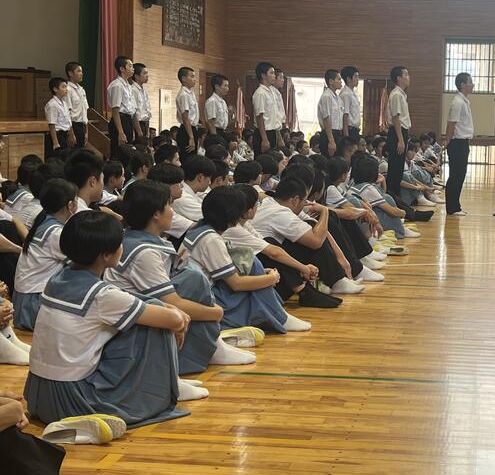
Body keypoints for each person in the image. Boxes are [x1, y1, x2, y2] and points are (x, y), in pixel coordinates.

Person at [24, 210, 192, 427]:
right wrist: (176, 317)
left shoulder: (56, 278)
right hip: (74, 400)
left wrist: (166, 309)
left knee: (147, 310)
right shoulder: (102, 296)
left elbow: (128, 300)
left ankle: (170, 382)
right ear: (106, 255)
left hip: (38, 395)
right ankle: (166, 385)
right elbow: (173, 321)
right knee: (151, 323)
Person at [108, 180, 255, 374]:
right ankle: (201, 354)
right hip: (132, 325)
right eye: (169, 206)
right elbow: (172, 302)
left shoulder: (136, 238)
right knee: (194, 279)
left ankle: (213, 345)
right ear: (156, 214)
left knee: (193, 276)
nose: (172, 212)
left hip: (142, 308)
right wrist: (215, 313)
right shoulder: (144, 252)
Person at [184, 185, 314, 335]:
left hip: (204, 289)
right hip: (208, 296)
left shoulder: (200, 228)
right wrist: (270, 279)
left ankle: (279, 315)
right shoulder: (211, 239)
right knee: (251, 262)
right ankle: (280, 316)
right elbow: (236, 284)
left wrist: (263, 275)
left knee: (252, 263)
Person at [13, 179, 77, 330]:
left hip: (24, 301)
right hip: (32, 305)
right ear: (70, 205)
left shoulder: (44, 221)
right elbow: (81, 260)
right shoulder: (56, 233)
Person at [443, 72, 474, 217]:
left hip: (463, 142)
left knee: (461, 174)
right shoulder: (458, 102)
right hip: (457, 143)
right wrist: (448, 141)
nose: (472, 85)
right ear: (462, 85)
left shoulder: (464, 101)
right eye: (470, 82)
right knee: (455, 175)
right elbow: (451, 123)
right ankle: (452, 207)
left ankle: (456, 205)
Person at [107, 56, 141, 160]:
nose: (133, 68)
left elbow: (132, 110)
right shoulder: (117, 85)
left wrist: (137, 131)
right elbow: (115, 110)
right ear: (122, 69)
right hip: (120, 121)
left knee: (128, 154)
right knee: (119, 153)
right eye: (130, 66)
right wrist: (121, 132)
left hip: (127, 120)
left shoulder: (128, 86)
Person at [385, 67, 411, 197]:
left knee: (399, 168)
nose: (409, 77)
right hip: (397, 133)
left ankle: (396, 197)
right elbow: (396, 118)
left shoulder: (401, 94)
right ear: (399, 78)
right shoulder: (396, 94)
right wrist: (400, 140)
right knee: (395, 168)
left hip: (401, 132)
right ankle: (392, 197)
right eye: (406, 74)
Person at [252, 62, 279, 154]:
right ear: (263, 75)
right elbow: (259, 117)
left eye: (274, 73)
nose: (274, 76)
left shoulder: (271, 92)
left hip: (272, 132)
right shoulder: (260, 93)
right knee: (263, 160)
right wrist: (264, 139)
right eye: (271, 73)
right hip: (263, 133)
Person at [43, 77, 73, 159]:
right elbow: (52, 125)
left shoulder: (65, 103)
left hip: (64, 135)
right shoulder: (52, 104)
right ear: (55, 89)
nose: (66, 89)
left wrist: (71, 134)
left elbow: (68, 121)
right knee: (57, 160)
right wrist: (55, 143)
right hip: (57, 136)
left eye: (66, 87)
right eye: (63, 87)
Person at [317, 69, 344, 158]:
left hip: (338, 133)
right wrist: (331, 141)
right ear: (331, 81)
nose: (341, 82)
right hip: (329, 134)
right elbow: (326, 119)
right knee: (329, 161)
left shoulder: (338, 98)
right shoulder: (326, 96)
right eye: (339, 79)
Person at [175, 67, 200, 161]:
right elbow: (185, 118)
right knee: (188, 160)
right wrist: (191, 137)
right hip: (187, 131)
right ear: (184, 79)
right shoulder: (184, 95)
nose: (194, 79)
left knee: (194, 159)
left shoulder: (191, 93)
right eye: (192, 76)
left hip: (192, 129)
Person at [65, 61, 89, 148]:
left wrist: (86, 132)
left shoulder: (82, 90)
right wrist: (71, 133)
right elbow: (67, 113)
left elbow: (85, 112)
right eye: (78, 71)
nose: (81, 74)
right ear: (70, 73)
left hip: (82, 126)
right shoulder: (67, 90)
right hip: (73, 126)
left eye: (81, 71)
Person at [131, 63, 151, 144]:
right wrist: (139, 132)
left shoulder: (144, 91)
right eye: (144, 73)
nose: (147, 75)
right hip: (138, 125)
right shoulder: (133, 90)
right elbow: (134, 113)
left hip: (145, 124)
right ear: (136, 76)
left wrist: (148, 129)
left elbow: (146, 111)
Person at [340, 66, 361, 140]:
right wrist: (346, 136)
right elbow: (345, 115)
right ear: (348, 79)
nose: (358, 79)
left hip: (355, 129)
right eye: (356, 77)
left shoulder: (353, 93)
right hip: (349, 130)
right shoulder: (346, 94)